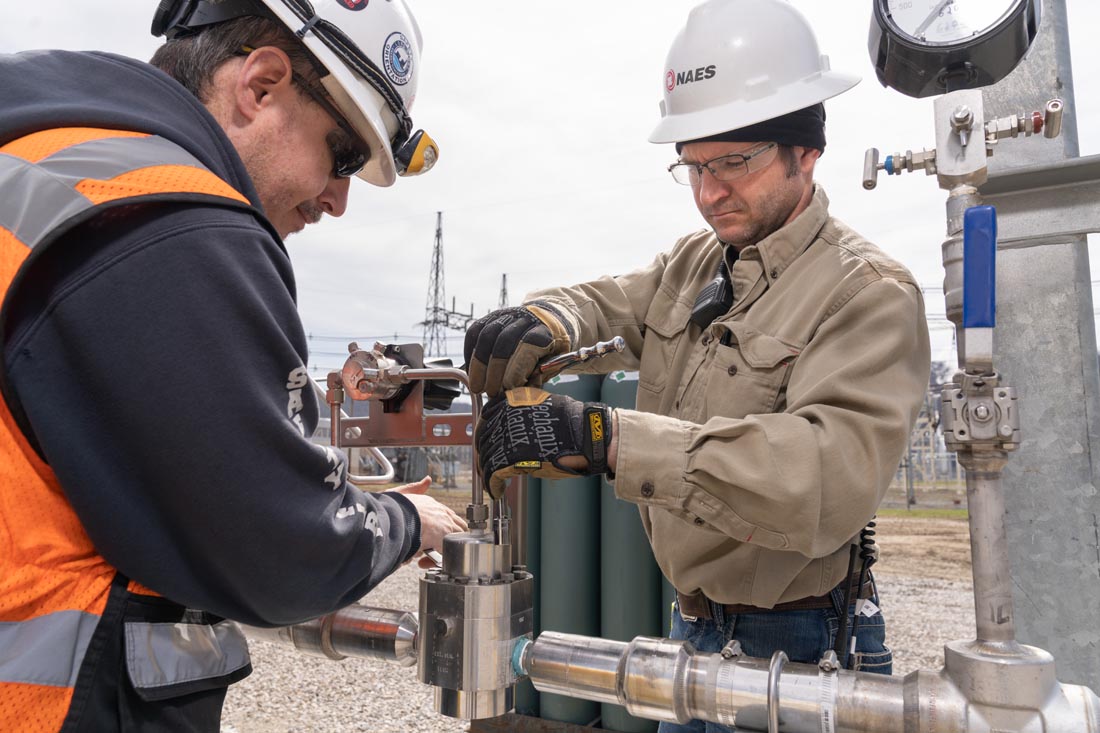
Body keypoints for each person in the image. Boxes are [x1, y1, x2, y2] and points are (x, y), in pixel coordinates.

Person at [0, 1, 466, 730]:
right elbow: (283, 547)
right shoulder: (160, 219)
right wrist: (408, 518)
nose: (339, 200)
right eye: (341, 153)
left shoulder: (37, 158)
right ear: (261, 85)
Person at [469, 2, 930, 730]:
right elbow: (611, 305)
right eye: (694, 165)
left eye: (734, 163)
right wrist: (544, 318)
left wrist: (608, 439)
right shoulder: (695, 262)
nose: (710, 191)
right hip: (693, 631)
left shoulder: (866, 293)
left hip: (802, 646)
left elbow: (823, 474)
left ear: (805, 150)